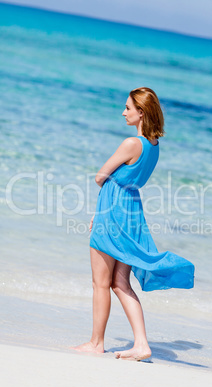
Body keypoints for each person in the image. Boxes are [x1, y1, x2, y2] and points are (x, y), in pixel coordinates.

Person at [72, 87, 195, 361]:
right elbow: (130, 180)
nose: (123, 112)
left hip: (113, 212)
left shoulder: (131, 143)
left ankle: (96, 343)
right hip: (131, 211)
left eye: (128, 108)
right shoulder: (154, 146)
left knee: (100, 283)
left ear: (141, 112)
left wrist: (102, 207)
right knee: (120, 283)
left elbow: (100, 176)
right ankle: (141, 344)